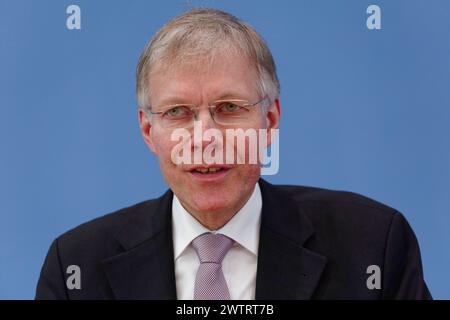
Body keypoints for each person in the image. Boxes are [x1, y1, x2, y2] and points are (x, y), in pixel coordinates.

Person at [36, 8, 431, 300]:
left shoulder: (373, 245)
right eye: (178, 113)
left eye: (229, 108)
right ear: (148, 131)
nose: (205, 137)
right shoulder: (75, 267)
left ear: (270, 118)